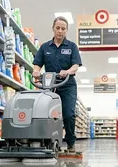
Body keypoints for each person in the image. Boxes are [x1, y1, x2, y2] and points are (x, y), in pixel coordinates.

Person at [32, 16, 82, 153]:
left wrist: (68, 71)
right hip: (50, 85)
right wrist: (36, 72)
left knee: (68, 114)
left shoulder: (72, 47)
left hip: (67, 85)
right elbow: (37, 65)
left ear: (67, 30)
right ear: (53, 28)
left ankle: (70, 142)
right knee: (49, 114)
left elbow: (76, 65)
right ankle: (52, 141)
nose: (60, 31)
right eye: (58, 28)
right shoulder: (44, 47)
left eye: (63, 29)